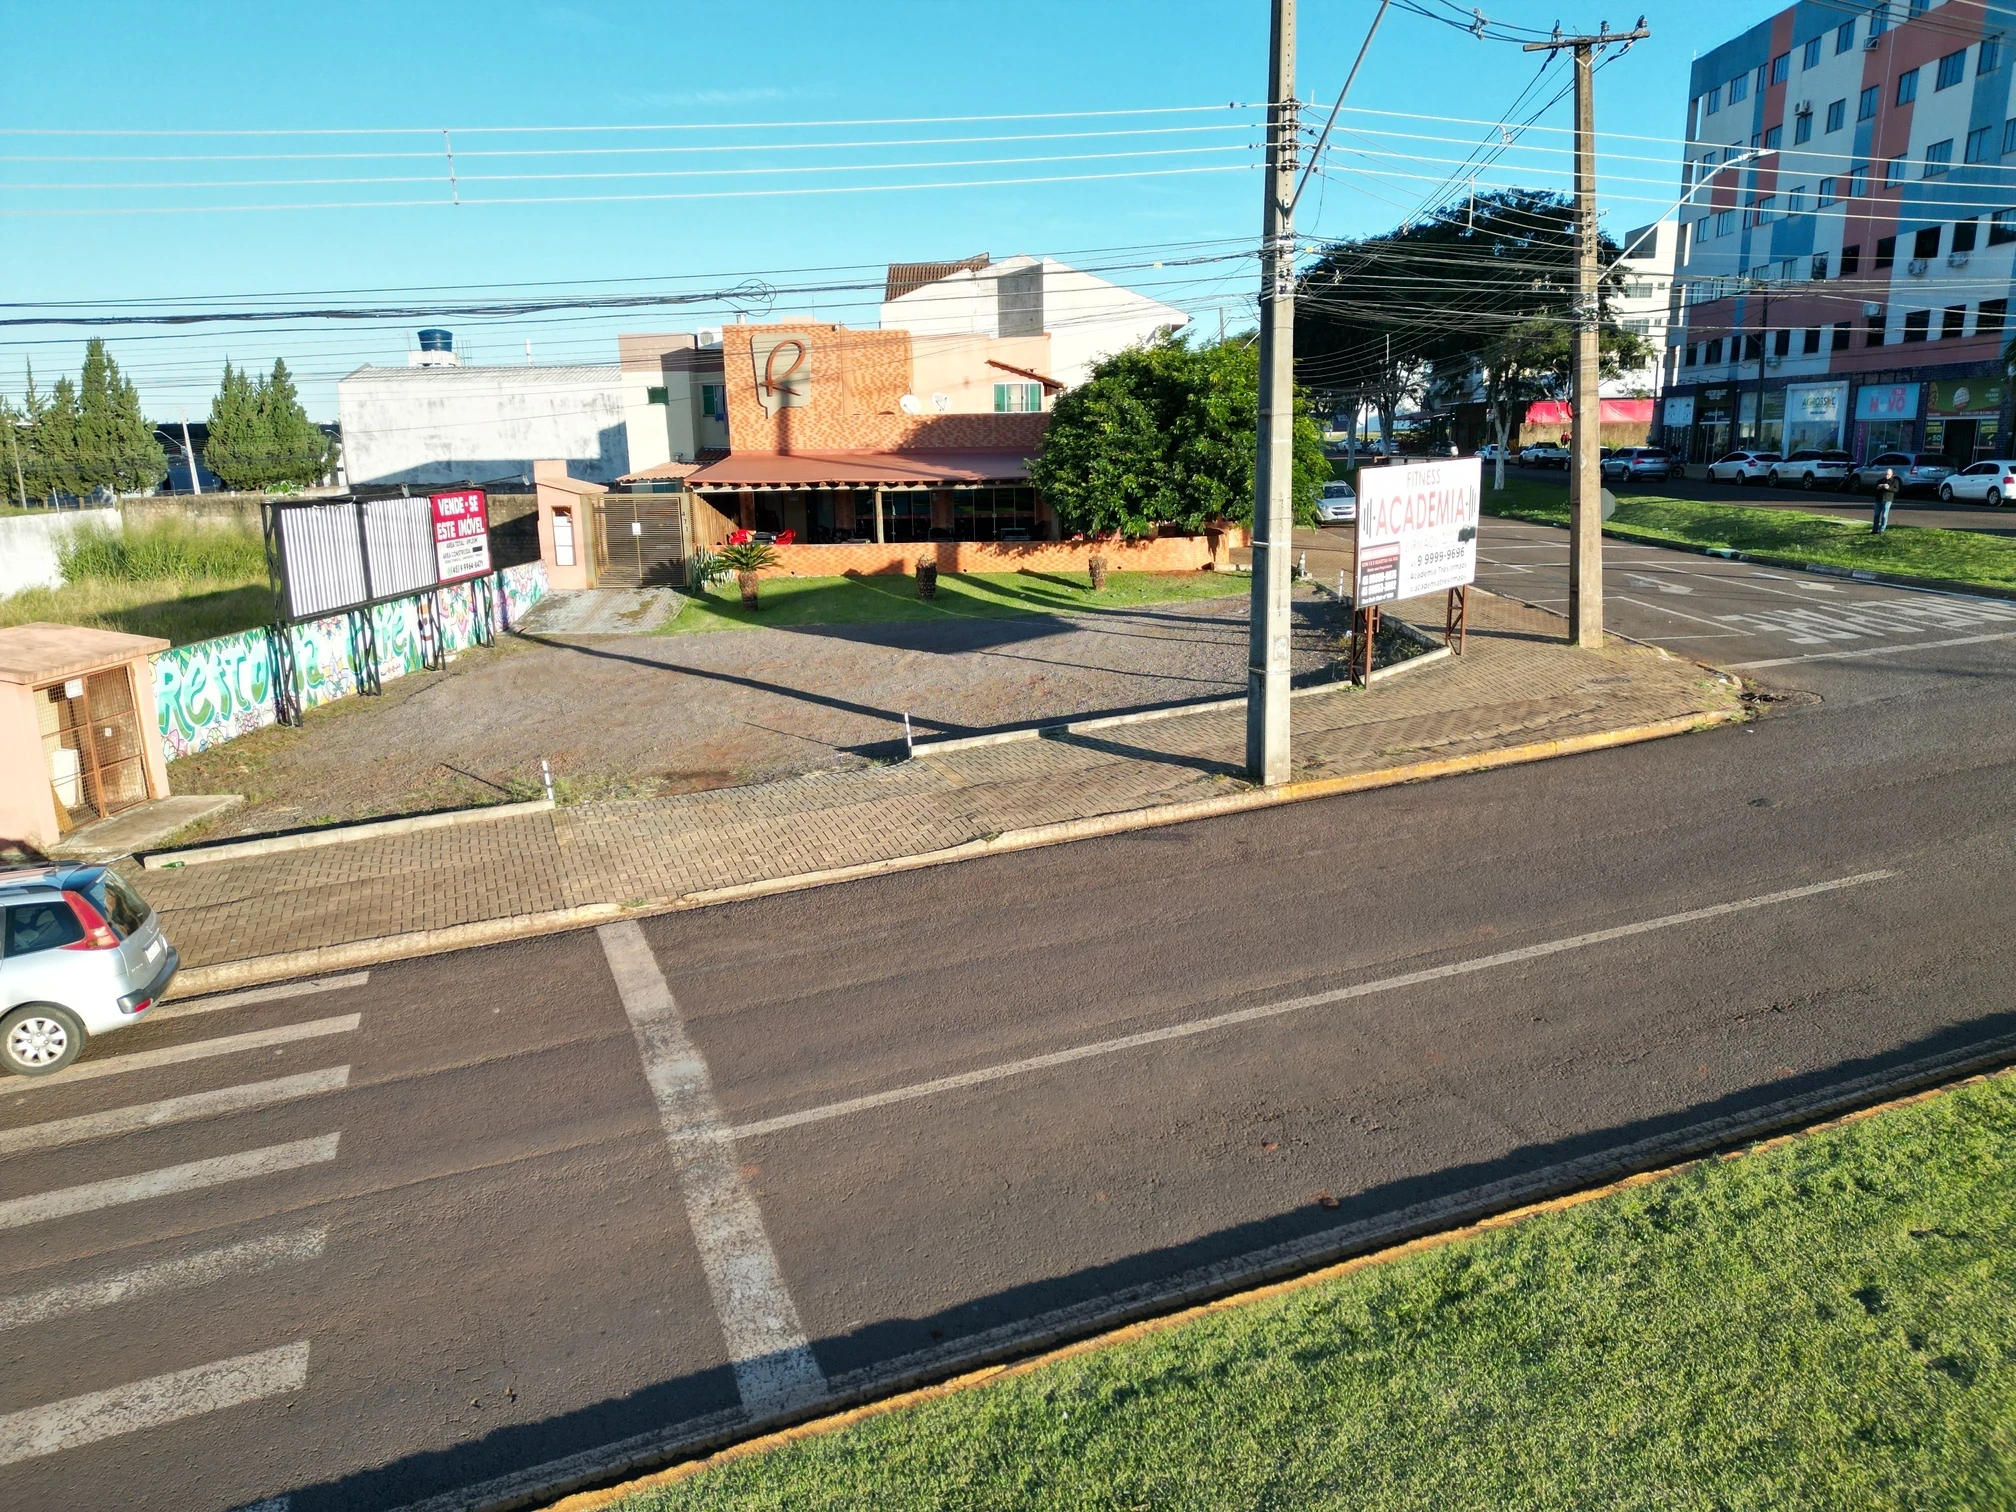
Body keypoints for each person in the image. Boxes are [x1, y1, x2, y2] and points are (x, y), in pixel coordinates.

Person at [1873, 467, 1899, 533]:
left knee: (1884, 515)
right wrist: (1879, 487)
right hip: (1879, 499)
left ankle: (1882, 529)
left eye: (1888, 474)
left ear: (1892, 474)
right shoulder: (1880, 481)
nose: (1887, 476)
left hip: (1887, 499)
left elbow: (1896, 490)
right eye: (1886, 474)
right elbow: (1875, 489)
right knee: (1876, 515)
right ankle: (1874, 529)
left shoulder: (1895, 481)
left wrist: (1889, 488)